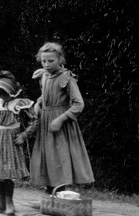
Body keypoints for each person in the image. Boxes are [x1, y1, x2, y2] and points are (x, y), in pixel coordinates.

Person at [28, 42, 94, 193]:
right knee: (48, 157)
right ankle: (50, 191)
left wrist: (60, 119)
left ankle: (59, 191)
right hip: (45, 122)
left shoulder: (67, 78)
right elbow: (45, 96)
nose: (46, 64)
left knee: (60, 158)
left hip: (61, 124)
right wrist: (38, 105)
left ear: (60, 59)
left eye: (51, 61)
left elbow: (78, 104)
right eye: (43, 61)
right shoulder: (43, 76)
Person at [0, 71, 35, 216]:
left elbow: (34, 121)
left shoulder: (20, 103)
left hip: (12, 140)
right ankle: (1, 202)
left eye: (4, 92)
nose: (2, 96)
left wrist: (24, 135)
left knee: (8, 173)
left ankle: (10, 202)